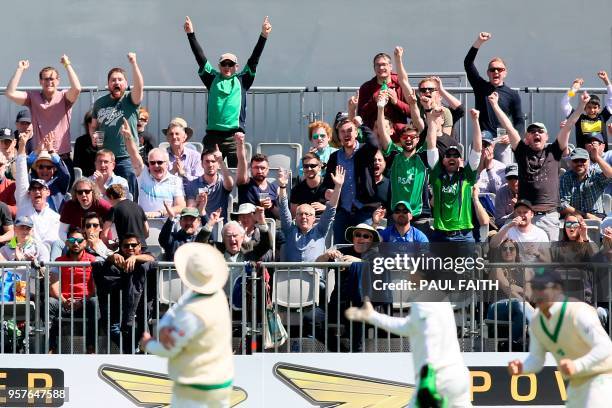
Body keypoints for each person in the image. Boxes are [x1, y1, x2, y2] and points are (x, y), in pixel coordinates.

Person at [141, 243, 234, 407]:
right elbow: (176, 311)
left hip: (196, 387)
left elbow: (170, 348)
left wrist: (148, 344)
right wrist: (164, 327)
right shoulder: (216, 294)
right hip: (221, 381)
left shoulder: (194, 312)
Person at [490, 91, 588, 241]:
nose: (536, 133)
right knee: (525, 258)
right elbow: (509, 127)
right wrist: (495, 105)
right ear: (527, 137)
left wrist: (581, 106)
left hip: (549, 216)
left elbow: (568, 126)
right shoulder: (522, 151)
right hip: (526, 217)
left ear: (546, 136)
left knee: (548, 260)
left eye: (540, 131)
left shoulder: (554, 150)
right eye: (532, 131)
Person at [508, 270, 612, 408]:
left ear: (557, 289)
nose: (538, 292)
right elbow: (536, 359)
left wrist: (577, 365)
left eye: (543, 287)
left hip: (600, 380)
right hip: (575, 386)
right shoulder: (536, 321)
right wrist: (522, 367)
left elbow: (605, 347)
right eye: (535, 287)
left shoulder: (579, 312)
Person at [346, 299, 472, 407]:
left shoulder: (424, 300)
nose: (409, 273)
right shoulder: (440, 298)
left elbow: (429, 336)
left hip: (438, 378)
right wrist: (373, 316)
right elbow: (410, 326)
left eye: (413, 270)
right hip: (458, 375)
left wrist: (427, 377)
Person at [184, 15, 271, 167]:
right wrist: (190, 34)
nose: (227, 67)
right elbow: (200, 57)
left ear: (236, 67)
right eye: (224, 64)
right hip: (213, 136)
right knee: (209, 171)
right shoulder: (212, 78)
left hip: (234, 137)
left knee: (236, 175)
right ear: (219, 66)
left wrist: (263, 35)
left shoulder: (242, 80)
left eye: (231, 64)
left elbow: (254, 59)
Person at [5, 56, 81, 163]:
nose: (49, 81)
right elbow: (10, 93)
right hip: (41, 156)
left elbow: (77, 88)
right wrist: (20, 69)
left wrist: (67, 65)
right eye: (45, 79)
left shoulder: (64, 96)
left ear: (58, 81)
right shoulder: (32, 97)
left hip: (62, 156)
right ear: (40, 81)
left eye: (52, 79)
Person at [464, 32, 523, 164]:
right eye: (493, 69)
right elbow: (468, 63)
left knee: (503, 176)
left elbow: (519, 120)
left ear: (505, 73)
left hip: (502, 140)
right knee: (479, 175)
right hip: (483, 138)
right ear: (488, 73)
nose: (496, 72)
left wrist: (512, 135)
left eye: (500, 69)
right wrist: (479, 42)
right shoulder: (481, 86)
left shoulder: (512, 94)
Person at [323, 107, 380, 244]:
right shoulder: (334, 157)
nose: (346, 134)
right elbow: (326, 184)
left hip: (363, 210)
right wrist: (327, 191)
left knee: (365, 249)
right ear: (339, 135)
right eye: (342, 132)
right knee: (340, 249)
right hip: (343, 212)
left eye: (350, 130)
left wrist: (361, 124)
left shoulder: (364, 150)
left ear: (356, 133)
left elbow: (374, 143)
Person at [92, 53, 144, 198]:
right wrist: (94, 137)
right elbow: (94, 126)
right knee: (104, 196)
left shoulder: (130, 99)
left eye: (120, 80)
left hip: (126, 157)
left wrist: (134, 63)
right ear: (108, 84)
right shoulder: (99, 103)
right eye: (113, 80)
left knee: (129, 197)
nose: (116, 82)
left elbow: (140, 86)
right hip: (105, 159)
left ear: (126, 84)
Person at [93, 234, 155, 354]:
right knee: (111, 328)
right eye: (126, 245)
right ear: (121, 247)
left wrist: (135, 258)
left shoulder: (146, 256)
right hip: (118, 308)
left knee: (137, 332)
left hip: (141, 308)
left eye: (133, 245)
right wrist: (112, 257)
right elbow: (102, 264)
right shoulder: (118, 258)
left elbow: (152, 259)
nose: (130, 248)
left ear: (140, 246)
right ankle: (131, 351)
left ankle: (132, 352)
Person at [427, 108, 482, 242]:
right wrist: (433, 121)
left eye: (456, 156)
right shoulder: (436, 175)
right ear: (443, 160)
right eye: (448, 155)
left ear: (461, 160)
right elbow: (431, 146)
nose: (452, 158)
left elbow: (477, 149)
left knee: (467, 265)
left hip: (464, 235)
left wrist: (475, 121)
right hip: (441, 235)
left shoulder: (468, 176)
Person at [120, 118, 186, 218]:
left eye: (160, 162)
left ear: (167, 164)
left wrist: (160, 213)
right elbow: (134, 155)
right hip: (145, 224)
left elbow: (181, 206)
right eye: (152, 163)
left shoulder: (175, 181)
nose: (156, 165)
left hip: (167, 225)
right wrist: (128, 138)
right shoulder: (143, 174)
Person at [278, 166, 343, 262]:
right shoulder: (290, 231)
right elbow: (283, 209)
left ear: (314, 218)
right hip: (291, 275)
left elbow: (330, 210)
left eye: (307, 214)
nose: (304, 217)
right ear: (295, 217)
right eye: (300, 214)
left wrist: (338, 187)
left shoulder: (320, 230)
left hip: (315, 276)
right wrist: (282, 187)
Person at [48, 227, 98, 354]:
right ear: (66, 243)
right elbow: (53, 287)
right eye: (72, 240)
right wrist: (64, 301)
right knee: (49, 302)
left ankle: (91, 348)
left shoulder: (93, 261)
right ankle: (51, 348)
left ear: (85, 242)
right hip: (64, 303)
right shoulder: (58, 262)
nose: (76, 243)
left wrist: (81, 301)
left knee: (94, 302)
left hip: (85, 303)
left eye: (79, 240)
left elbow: (96, 288)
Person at [487, 239, 535, 350]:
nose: (508, 251)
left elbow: (529, 295)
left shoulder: (524, 269)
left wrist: (515, 288)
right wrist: (519, 290)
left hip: (521, 308)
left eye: (511, 248)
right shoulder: (497, 268)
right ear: (500, 252)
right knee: (520, 304)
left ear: (517, 251)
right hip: (497, 307)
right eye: (504, 249)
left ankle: (511, 343)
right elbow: (508, 290)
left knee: (522, 313)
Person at [14, 135, 61, 248]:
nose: (37, 191)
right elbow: (21, 173)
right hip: (17, 249)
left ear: (48, 192)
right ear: (29, 193)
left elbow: (50, 243)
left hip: (43, 258)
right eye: (33, 189)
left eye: (40, 188)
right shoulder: (23, 202)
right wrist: (22, 146)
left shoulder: (55, 217)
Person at [357, 52, 410, 129]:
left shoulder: (401, 85)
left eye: (384, 64)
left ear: (390, 66)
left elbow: (412, 113)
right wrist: (374, 101)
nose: (381, 68)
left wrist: (396, 102)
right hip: (375, 134)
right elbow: (361, 115)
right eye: (378, 65)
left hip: (398, 135)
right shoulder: (366, 87)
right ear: (374, 67)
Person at [561, 72, 611, 150]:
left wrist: (606, 80)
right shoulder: (578, 118)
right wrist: (574, 89)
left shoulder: (603, 117)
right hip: (582, 158)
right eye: (589, 107)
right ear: (584, 108)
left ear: (599, 108)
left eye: (595, 107)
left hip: (602, 157)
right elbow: (564, 103)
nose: (592, 110)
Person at [186, 146, 236, 222]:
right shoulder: (192, 184)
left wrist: (221, 162)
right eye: (207, 161)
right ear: (202, 164)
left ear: (218, 164)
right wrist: (197, 202)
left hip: (219, 225)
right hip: (199, 225)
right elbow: (190, 209)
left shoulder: (222, 181)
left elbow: (230, 185)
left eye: (213, 161)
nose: (210, 165)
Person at [490, 199, 550, 264]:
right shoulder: (508, 228)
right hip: (512, 269)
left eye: (525, 212)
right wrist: (508, 226)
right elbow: (493, 245)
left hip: (534, 270)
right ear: (514, 214)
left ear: (532, 214)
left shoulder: (540, 233)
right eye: (519, 212)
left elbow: (548, 261)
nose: (522, 215)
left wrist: (537, 253)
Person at [560, 148, 612, 220]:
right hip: (574, 216)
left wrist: (597, 157)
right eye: (576, 160)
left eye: (583, 160)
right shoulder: (565, 178)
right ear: (571, 162)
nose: (579, 163)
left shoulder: (596, 174)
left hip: (597, 217)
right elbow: (562, 204)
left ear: (589, 161)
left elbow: (610, 175)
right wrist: (584, 215)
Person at [236, 137, 279, 220]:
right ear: (250, 168)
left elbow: (281, 217)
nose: (259, 171)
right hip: (248, 225)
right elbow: (241, 161)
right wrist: (240, 144)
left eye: (262, 168)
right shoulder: (245, 183)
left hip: (268, 227)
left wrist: (271, 206)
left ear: (268, 169)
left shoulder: (275, 188)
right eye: (256, 167)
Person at [103, 184, 149, 248]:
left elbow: (104, 233)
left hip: (127, 249)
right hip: (141, 247)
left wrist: (109, 246)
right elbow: (146, 231)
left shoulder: (114, 209)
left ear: (111, 196)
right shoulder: (138, 207)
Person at [164, 117, 203, 189]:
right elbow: (158, 180)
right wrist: (172, 171)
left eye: (177, 134)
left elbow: (200, 181)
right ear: (167, 138)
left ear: (184, 137)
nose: (174, 137)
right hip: (168, 194)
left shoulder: (195, 156)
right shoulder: (162, 156)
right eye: (171, 134)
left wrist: (183, 174)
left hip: (190, 194)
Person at [290, 153, 328, 217]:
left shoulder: (328, 185)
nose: (309, 169)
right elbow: (293, 214)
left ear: (319, 167)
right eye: (306, 166)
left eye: (313, 166)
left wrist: (325, 208)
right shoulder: (297, 189)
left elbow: (338, 208)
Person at [73, 111, 99, 178]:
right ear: (87, 125)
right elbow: (77, 165)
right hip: (86, 177)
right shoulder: (80, 141)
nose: (95, 129)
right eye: (93, 127)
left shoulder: (107, 141)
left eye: (98, 126)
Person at [0, 151, 17, 218]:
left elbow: (18, 210)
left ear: (5, 166)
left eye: (0, 165)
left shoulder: (12, 185)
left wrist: (2, 207)